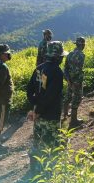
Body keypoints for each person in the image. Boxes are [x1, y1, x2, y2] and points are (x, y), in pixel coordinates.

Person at [27, 41, 68, 173]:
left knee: (37, 140)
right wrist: (38, 110)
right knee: (50, 143)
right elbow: (50, 96)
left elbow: (29, 89)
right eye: (61, 56)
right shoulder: (57, 72)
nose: (62, 59)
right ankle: (46, 173)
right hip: (50, 115)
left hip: (38, 114)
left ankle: (33, 168)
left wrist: (35, 107)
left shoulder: (39, 68)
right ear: (57, 57)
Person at [63, 37, 86, 129]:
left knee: (68, 96)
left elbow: (65, 69)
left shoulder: (69, 54)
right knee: (77, 98)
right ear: (82, 45)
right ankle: (73, 120)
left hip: (69, 80)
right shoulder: (81, 55)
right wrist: (74, 82)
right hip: (77, 81)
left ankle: (65, 114)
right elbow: (77, 70)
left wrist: (68, 80)